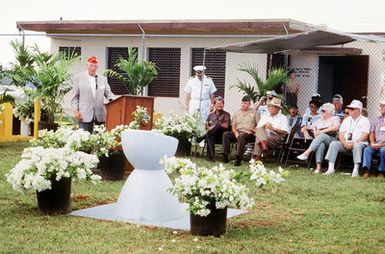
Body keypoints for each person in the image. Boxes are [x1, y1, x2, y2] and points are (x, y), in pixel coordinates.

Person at [324, 100, 370, 177]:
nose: (349, 110)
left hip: (359, 143)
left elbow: (365, 135)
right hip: (345, 143)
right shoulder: (346, 120)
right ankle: (331, 168)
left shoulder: (365, 120)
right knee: (334, 144)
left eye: (352, 109)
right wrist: (344, 142)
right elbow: (341, 133)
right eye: (349, 108)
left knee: (357, 146)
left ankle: (356, 170)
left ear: (359, 110)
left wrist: (354, 143)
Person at [70, 56, 115, 132]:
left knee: (100, 139)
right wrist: (75, 111)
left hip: (100, 115)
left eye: (95, 66)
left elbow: (108, 93)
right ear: (87, 66)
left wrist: (112, 100)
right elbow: (74, 97)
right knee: (84, 139)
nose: (93, 68)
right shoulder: (78, 78)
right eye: (91, 65)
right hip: (84, 114)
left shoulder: (102, 79)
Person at [296, 103, 341, 173]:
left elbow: (336, 127)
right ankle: (318, 167)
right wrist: (305, 127)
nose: (321, 112)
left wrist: (321, 131)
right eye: (321, 111)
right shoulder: (320, 120)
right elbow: (311, 126)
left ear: (329, 112)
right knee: (320, 144)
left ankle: (307, 153)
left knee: (321, 135)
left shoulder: (335, 118)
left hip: (332, 139)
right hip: (321, 140)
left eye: (323, 111)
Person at [222, 96, 259, 166]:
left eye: (245, 103)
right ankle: (225, 156)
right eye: (242, 103)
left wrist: (254, 130)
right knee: (226, 134)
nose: (243, 105)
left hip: (249, 134)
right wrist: (235, 132)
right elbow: (233, 126)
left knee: (242, 136)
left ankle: (238, 158)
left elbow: (259, 125)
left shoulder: (254, 113)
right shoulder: (237, 113)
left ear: (249, 104)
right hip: (238, 133)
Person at [362, 100, 385, 179]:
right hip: (376, 144)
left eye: (383, 106)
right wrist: (372, 143)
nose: (381, 108)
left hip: (384, 145)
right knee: (367, 149)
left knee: (383, 150)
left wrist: (381, 145)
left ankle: (381, 172)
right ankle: (366, 171)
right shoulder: (376, 120)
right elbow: (372, 133)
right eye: (381, 106)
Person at [204, 96, 231, 161]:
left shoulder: (226, 114)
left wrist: (213, 126)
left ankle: (203, 137)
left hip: (223, 136)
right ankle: (211, 157)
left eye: (221, 104)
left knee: (218, 125)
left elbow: (226, 125)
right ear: (214, 105)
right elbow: (206, 126)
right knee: (210, 136)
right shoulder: (211, 115)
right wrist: (209, 127)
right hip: (213, 136)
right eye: (218, 104)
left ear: (223, 105)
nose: (219, 105)